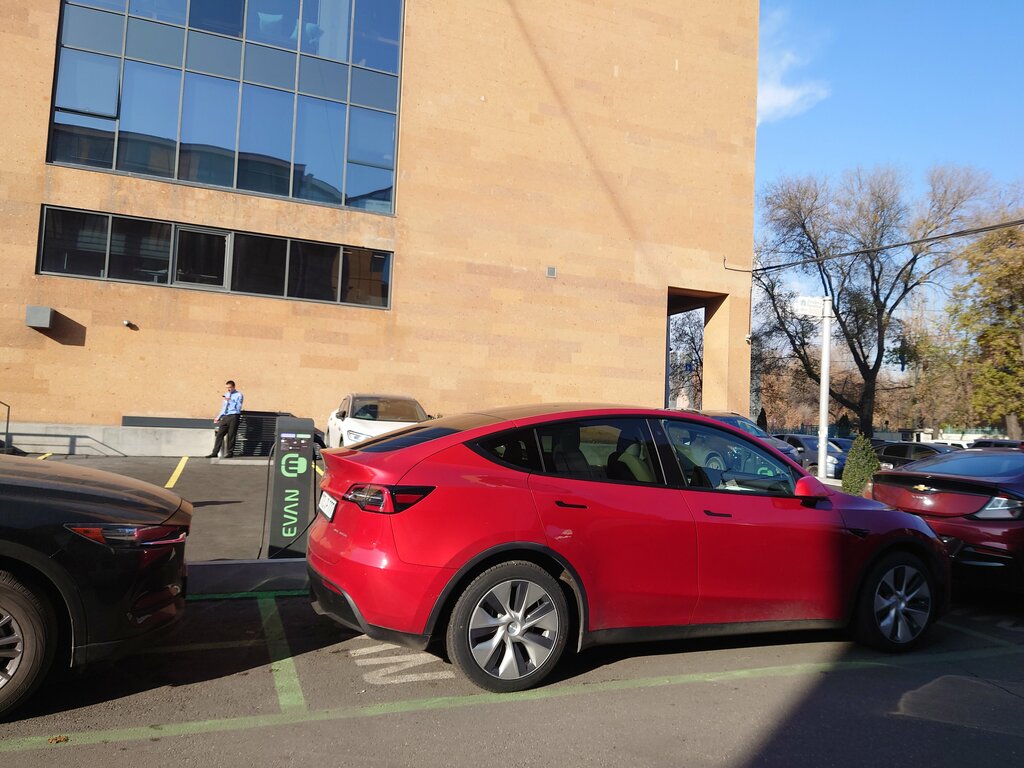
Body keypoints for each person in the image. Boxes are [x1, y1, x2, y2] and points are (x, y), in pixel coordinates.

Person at [206, 380, 243, 458]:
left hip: (234, 416)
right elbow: (223, 408)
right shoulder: (226, 395)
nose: (228, 389)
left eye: (229, 387)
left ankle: (230, 452)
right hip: (225, 417)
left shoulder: (239, 395)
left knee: (231, 435)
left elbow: (238, 407)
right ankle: (214, 452)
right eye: (227, 388)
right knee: (219, 434)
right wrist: (218, 417)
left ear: (233, 387)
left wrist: (231, 400)